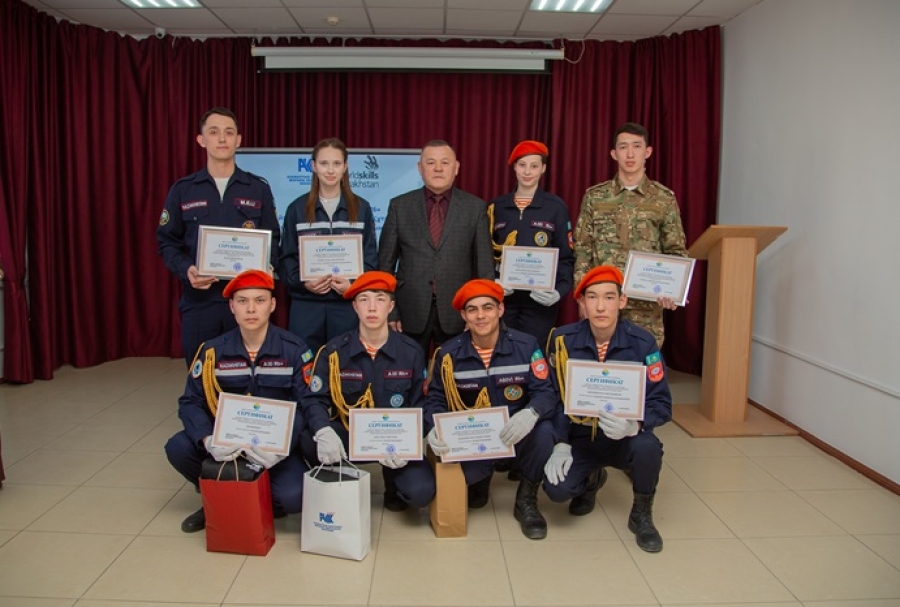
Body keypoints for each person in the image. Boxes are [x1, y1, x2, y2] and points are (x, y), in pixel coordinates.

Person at [164, 270, 313, 533]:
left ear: (272, 305)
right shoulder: (212, 351)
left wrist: (283, 447)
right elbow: (190, 401)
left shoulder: (294, 349)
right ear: (232, 306)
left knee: (294, 497)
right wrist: (207, 439)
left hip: (273, 449)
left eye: (259, 300)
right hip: (227, 445)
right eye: (242, 301)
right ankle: (215, 497)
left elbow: (306, 404)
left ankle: (256, 497)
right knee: (178, 447)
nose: (251, 309)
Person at [542, 266, 672, 552]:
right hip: (579, 437)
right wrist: (561, 442)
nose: (600, 306)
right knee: (556, 490)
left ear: (622, 301)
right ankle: (592, 480)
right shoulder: (562, 340)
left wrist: (636, 425)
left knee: (648, 446)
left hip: (623, 437)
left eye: (609, 297)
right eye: (592, 297)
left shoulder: (643, 343)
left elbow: (662, 404)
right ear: (581, 303)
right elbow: (553, 396)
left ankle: (642, 512)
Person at [424, 279, 559, 540]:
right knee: (472, 495)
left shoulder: (526, 345)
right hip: (475, 439)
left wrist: (530, 413)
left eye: (487, 307)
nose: (481, 315)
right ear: (464, 316)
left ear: (500, 310)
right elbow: (436, 399)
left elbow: (546, 392)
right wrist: (433, 427)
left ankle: (527, 499)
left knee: (544, 431)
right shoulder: (449, 354)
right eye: (472, 309)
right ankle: (481, 478)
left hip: (517, 434)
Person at [301, 271, 435, 512]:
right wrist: (323, 431)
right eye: (364, 300)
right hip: (350, 435)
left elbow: (422, 404)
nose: (372, 307)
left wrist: (411, 442)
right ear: (354, 307)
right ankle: (342, 480)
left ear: (391, 306)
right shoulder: (334, 352)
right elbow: (314, 399)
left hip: (395, 439)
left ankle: (394, 483)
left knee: (421, 492)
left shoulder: (411, 352)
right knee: (309, 440)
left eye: (380, 299)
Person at [157, 107, 281, 365]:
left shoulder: (258, 188)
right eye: (214, 132)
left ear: (238, 140)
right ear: (201, 140)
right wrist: (187, 269)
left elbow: (274, 240)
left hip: (248, 302)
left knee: (248, 372)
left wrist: (267, 267)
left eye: (229, 132)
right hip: (201, 301)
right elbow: (167, 242)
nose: (222, 139)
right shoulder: (183, 190)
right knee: (201, 372)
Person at [572, 122, 687, 346]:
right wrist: (582, 297)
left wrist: (672, 290)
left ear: (648, 152)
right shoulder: (595, 197)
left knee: (642, 363)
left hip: (646, 307)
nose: (630, 154)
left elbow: (675, 250)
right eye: (623, 147)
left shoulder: (663, 199)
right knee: (600, 363)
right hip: (603, 302)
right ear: (614, 154)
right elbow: (583, 249)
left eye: (637, 146)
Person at [378, 140, 494, 355]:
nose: (438, 168)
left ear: (456, 168)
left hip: (458, 311)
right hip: (409, 311)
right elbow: (384, 267)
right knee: (407, 371)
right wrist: (390, 311)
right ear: (420, 168)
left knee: (454, 371)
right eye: (431, 163)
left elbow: (485, 267)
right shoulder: (399, 206)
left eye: (445, 162)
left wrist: (480, 312)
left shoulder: (475, 207)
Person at [279, 138, 378, 353]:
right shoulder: (297, 208)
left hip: (347, 305)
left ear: (345, 167)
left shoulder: (361, 208)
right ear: (314, 166)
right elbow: (286, 260)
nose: (330, 170)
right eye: (324, 163)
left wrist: (352, 285)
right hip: (306, 305)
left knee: (346, 365)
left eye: (336, 163)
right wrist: (304, 283)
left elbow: (371, 260)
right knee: (305, 365)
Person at [489, 140, 574, 349]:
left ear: (543, 168)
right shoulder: (497, 207)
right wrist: (493, 282)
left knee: (533, 354)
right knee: (501, 352)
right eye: (522, 165)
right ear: (514, 167)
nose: (527, 172)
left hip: (539, 303)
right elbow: (485, 253)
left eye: (534, 166)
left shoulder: (556, 207)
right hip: (503, 301)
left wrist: (558, 292)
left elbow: (567, 258)